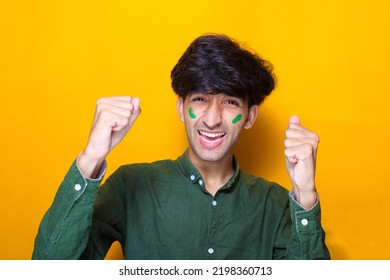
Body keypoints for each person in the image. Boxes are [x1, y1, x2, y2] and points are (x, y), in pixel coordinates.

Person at [32, 34, 330, 260]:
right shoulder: (131, 185)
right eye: (200, 99)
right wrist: (90, 159)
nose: (212, 119)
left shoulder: (275, 204)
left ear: (250, 116)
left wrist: (305, 195)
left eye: (229, 102)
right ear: (180, 107)